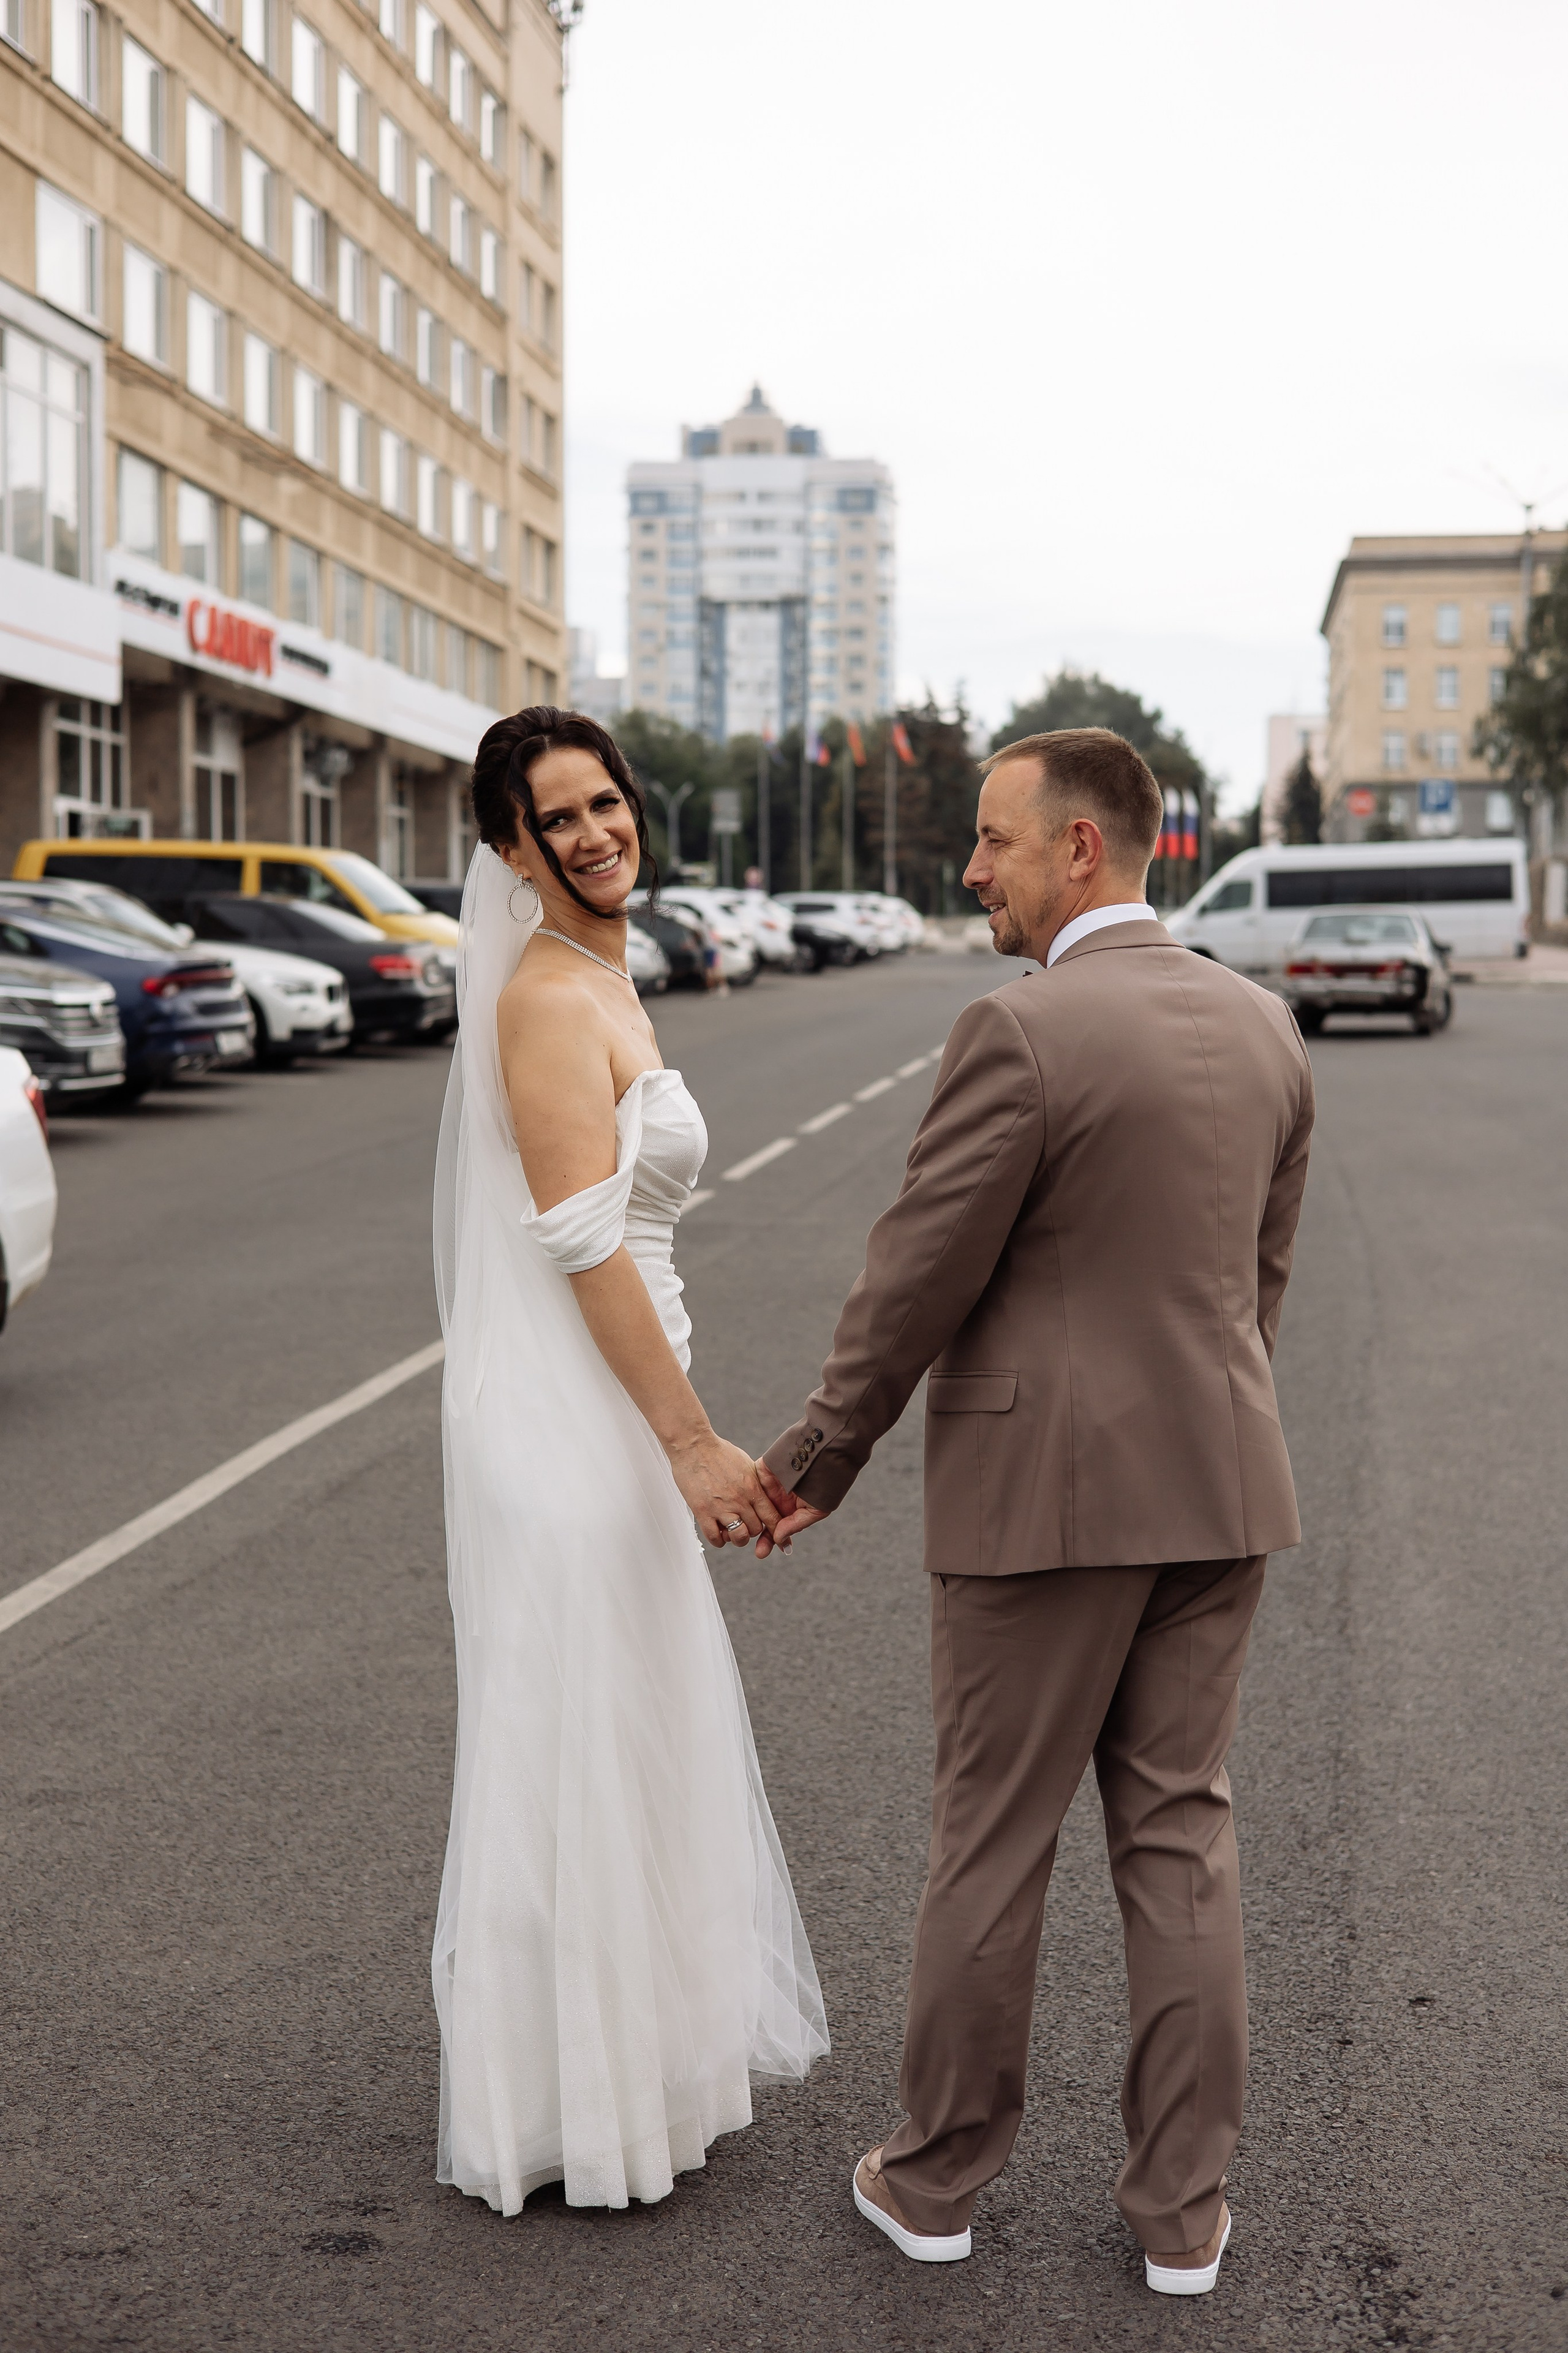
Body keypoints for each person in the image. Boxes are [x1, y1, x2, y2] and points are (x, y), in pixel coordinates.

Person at [759, 728, 1314, 2295]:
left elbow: (916, 1276)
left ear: (1079, 847)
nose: (970, 870)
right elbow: (1257, 1282)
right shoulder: (1264, 1026)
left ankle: (935, 2180)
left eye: (992, 840)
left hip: (1040, 1506)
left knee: (992, 1842)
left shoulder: (1017, 1029)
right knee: (1181, 1835)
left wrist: (817, 1454)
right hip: (1218, 1480)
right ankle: (1182, 2217)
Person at [432, 706, 827, 2218]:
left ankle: (636, 2077)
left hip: (615, 1400)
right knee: (580, 1746)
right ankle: (564, 2107)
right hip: (571, 1423)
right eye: (558, 818)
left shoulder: (604, 975)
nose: (594, 832)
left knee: (633, 1736)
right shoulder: (545, 1000)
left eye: (605, 801)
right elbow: (585, 1243)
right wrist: (687, 1441)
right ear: (510, 848)